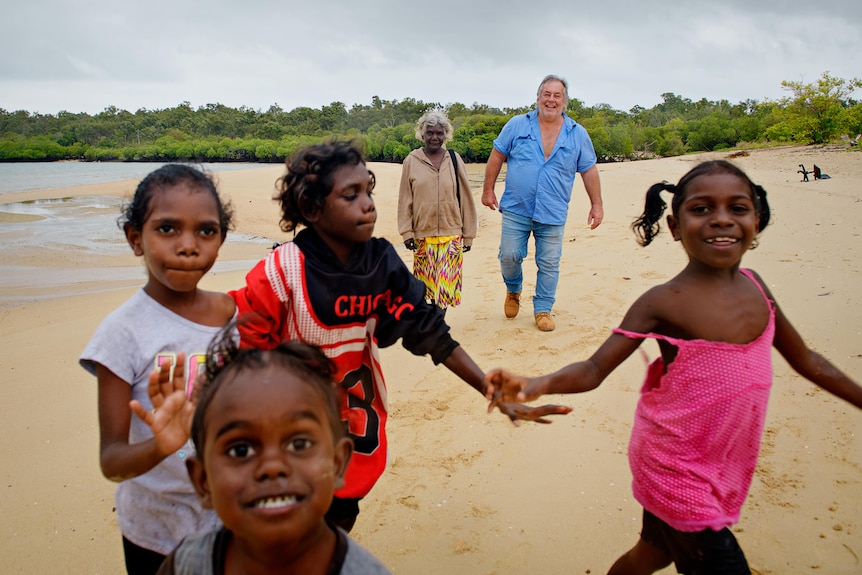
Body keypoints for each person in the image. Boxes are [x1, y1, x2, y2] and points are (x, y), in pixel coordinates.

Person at [484, 160, 862, 574]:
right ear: (675, 225)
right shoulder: (662, 302)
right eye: (701, 209)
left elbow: (807, 360)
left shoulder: (757, 289)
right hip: (673, 467)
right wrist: (537, 382)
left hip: (722, 464)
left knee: (650, 554)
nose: (721, 219)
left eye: (738, 208)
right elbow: (594, 369)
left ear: (757, 218)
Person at [230, 141, 569, 532]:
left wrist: (486, 387)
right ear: (311, 209)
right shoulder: (281, 271)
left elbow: (431, 333)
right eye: (351, 195)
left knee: (338, 516)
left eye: (368, 191)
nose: (368, 204)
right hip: (285, 429)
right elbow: (240, 344)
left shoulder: (380, 264)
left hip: (352, 432)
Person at [79, 164, 237, 575]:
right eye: (167, 229)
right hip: (156, 530)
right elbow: (112, 461)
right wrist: (163, 444)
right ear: (136, 238)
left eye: (206, 231)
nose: (189, 246)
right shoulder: (122, 332)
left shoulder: (230, 315)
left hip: (232, 517)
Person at [155, 339, 392, 575]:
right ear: (203, 480)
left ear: (338, 464)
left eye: (299, 444)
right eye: (241, 450)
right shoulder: (185, 565)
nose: (272, 467)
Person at [481, 74, 604, 332]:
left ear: (564, 101)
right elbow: (496, 156)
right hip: (517, 207)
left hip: (554, 209)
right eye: (546, 94)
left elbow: (589, 170)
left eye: (557, 95)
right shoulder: (517, 125)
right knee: (509, 255)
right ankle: (513, 290)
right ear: (538, 98)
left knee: (549, 262)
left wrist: (597, 204)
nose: (551, 100)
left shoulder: (577, 134)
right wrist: (488, 190)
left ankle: (543, 309)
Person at [398, 111, 478, 312]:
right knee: (426, 290)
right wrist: (407, 232)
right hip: (423, 236)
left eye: (439, 133)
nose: (435, 137)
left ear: (446, 135)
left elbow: (466, 197)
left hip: (452, 235)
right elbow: (405, 199)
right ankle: (433, 326)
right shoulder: (411, 160)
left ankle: (437, 326)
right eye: (430, 132)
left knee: (445, 289)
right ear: (422, 134)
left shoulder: (454, 159)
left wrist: (468, 235)